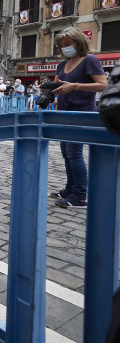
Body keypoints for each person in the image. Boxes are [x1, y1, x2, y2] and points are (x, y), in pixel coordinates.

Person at [50, 27, 107, 208]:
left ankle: (81, 195)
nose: (65, 47)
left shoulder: (89, 60)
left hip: (81, 113)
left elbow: (102, 85)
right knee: (67, 154)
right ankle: (70, 188)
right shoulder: (62, 64)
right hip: (64, 113)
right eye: (62, 45)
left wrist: (75, 86)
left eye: (68, 44)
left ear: (78, 41)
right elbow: (58, 86)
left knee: (74, 154)